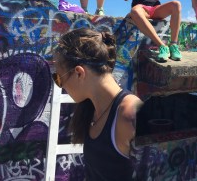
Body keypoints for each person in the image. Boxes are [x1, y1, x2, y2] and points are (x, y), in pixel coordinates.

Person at [52, 27, 142, 181]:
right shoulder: (91, 109)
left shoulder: (129, 114)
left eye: (59, 78)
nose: (60, 86)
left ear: (79, 73)